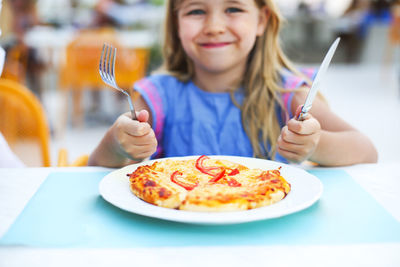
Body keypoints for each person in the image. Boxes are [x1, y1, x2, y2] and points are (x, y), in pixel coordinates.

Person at [88, 0, 378, 168]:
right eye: (196, 11)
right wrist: (117, 144)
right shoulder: (156, 97)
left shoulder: (288, 95)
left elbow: (366, 152)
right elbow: (95, 169)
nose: (214, 26)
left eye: (233, 9)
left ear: (262, 20)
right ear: (176, 23)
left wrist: (314, 144)